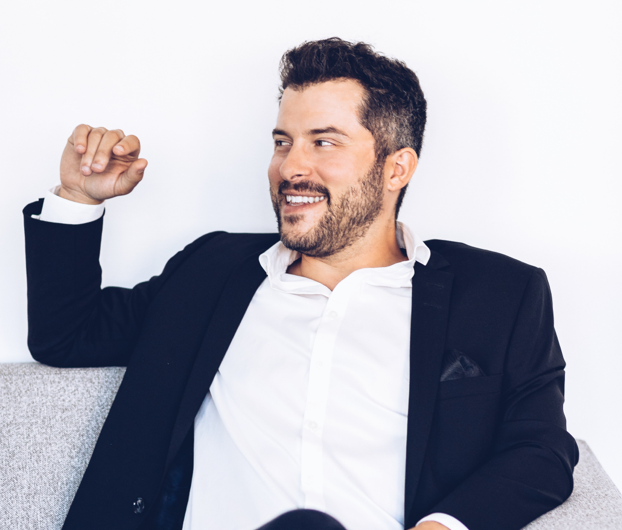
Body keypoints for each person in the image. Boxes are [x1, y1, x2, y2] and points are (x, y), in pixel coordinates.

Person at [22, 38, 578, 530]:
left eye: (324, 142)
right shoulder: (212, 271)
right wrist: (77, 198)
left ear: (396, 168)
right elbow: (66, 337)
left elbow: (542, 449)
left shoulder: (500, 295)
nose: (291, 167)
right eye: (283, 142)